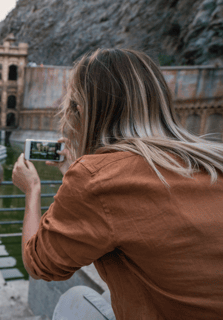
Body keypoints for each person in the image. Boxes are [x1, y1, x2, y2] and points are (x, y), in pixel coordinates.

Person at [12, 48, 223, 320]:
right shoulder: (212, 158)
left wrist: (32, 191)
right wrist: (74, 173)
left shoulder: (96, 178)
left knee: (75, 302)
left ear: (82, 111)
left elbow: (39, 263)